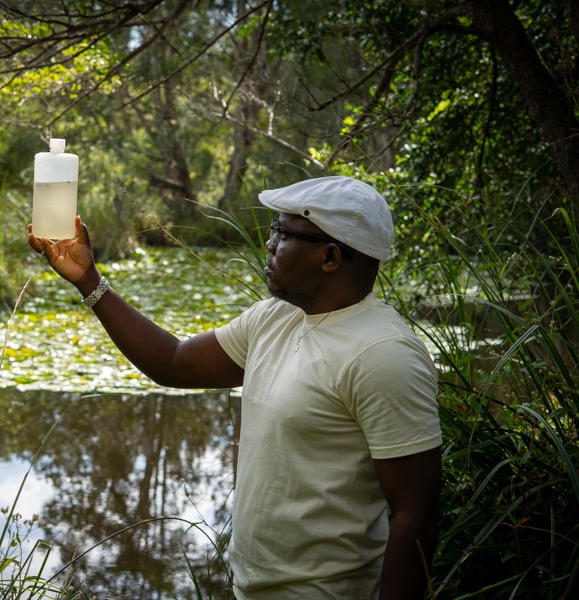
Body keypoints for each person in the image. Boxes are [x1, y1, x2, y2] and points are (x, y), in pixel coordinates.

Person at [28, 175, 442, 600]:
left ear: (330, 256)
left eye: (283, 233)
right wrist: (89, 281)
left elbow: (416, 514)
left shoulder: (382, 354)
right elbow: (173, 362)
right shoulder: (274, 318)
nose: (269, 244)